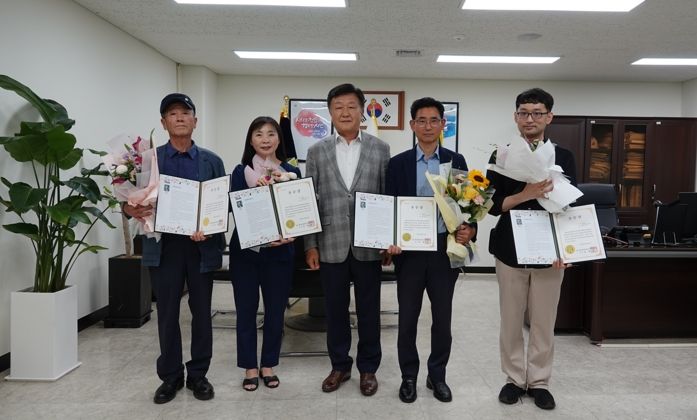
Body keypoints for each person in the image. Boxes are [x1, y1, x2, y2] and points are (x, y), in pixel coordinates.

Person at [124, 93, 225, 404]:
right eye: (172, 113)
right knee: (167, 313)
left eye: (185, 112)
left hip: (200, 248)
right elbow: (127, 203)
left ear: (195, 120)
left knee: (201, 313)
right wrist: (131, 209)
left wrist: (209, 228)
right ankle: (170, 376)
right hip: (163, 247)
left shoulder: (211, 161)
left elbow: (220, 206)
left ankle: (198, 375)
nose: (179, 117)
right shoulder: (148, 161)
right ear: (163, 122)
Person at [486, 88, 577, 410]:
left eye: (537, 113)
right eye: (524, 113)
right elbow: (492, 206)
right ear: (515, 117)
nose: (530, 119)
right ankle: (513, 379)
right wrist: (527, 193)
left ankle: (539, 381)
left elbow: (571, 206)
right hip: (510, 249)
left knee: (543, 321)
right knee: (511, 320)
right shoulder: (501, 155)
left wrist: (567, 249)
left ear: (549, 117)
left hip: (549, 251)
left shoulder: (564, 156)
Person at [385, 97, 476, 403]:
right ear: (412, 125)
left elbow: (468, 205)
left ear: (442, 125)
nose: (427, 126)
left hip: (443, 251)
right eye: (421, 120)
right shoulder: (397, 164)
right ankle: (408, 376)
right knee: (408, 319)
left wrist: (469, 229)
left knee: (442, 319)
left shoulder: (455, 160)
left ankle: (437, 376)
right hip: (408, 252)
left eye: (433, 120)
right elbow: (390, 206)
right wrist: (390, 239)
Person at [304, 83, 390, 396]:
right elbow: (309, 201)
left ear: (362, 111)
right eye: (338, 106)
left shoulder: (380, 149)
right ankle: (339, 365)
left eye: (351, 106)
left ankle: (368, 368)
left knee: (369, 310)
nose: (345, 112)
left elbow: (386, 196)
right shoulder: (317, 151)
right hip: (330, 242)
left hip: (369, 244)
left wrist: (386, 240)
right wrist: (310, 244)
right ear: (330, 112)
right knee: (335, 310)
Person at [229, 116, 301, 391]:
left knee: (275, 311)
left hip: (280, 253)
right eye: (259, 134)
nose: (265, 139)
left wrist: (294, 233)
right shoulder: (240, 172)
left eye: (271, 133)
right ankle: (249, 366)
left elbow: (298, 210)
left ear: (279, 139)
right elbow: (234, 208)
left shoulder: (291, 171)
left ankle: (268, 364)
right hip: (246, 253)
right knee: (246, 311)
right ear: (251, 140)